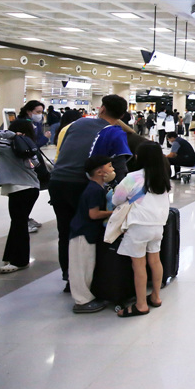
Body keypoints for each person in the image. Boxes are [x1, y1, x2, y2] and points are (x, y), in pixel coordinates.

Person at [48, 95, 132, 291]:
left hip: (57, 182)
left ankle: (69, 277)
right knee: (85, 233)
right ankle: (85, 282)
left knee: (65, 231)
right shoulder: (115, 132)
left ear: (101, 109)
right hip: (83, 186)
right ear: (121, 115)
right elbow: (120, 167)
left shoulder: (77, 124)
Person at [112, 142, 171, 317]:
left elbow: (116, 200)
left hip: (138, 226)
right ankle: (156, 296)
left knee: (139, 265)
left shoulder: (133, 177)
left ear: (140, 157)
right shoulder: (163, 177)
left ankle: (141, 304)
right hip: (158, 226)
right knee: (155, 261)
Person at [0, 119, 41, 274]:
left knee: (19, 224)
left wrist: (10, 134)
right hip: (30, 188)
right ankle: (10, 256)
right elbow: (37, 165)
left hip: (20, 189)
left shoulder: (8, 145)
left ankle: (20, 261)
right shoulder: (29, 146)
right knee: (17, 223)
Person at [68, 155, 115, 314]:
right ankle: (81, 301)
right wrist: (113, 212)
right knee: (81, 269)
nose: (112, 169)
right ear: (100, 171)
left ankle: (86, 297)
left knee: (87, 267)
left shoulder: (98, 187)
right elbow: (93, 214)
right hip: (82, 234)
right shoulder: (94, 189)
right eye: (109, 166)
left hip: (87, 233)